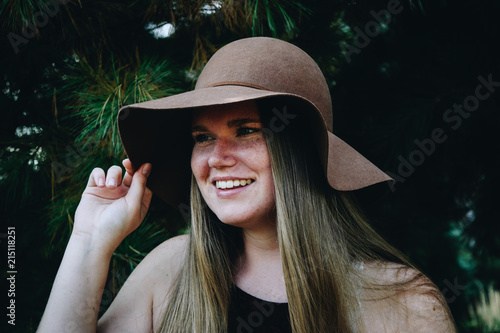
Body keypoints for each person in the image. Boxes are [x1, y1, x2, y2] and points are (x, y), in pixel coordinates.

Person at [38, 37, 456, 332]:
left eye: (246, 130)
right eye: (202, 137)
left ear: (301, 152)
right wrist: (89, 242)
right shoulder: (170, 271)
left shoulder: (402, 302)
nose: (216, 158)